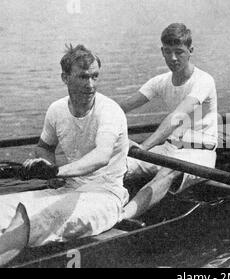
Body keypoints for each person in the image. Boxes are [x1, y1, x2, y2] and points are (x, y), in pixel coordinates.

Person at [0, 44, 129, 265]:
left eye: (95, 77)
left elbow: (101, 156)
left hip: (105, 196)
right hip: (68, 188)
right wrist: (46, 166)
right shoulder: (56, 110)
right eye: (83, 77)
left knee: (28, 219)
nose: (91, 85)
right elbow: (45, 147)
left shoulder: (109, 111)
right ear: (65, 78)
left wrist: (56, 171)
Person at [119, 23, 218, 219]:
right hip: (169, 148)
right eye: (168, 52)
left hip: (200, 153)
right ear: (162, 51)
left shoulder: (204, 81)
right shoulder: (160, 81)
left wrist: (142, 149)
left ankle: (121, 218)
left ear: (190, 51)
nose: (173, 58)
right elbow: (121, 108)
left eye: (179, 52)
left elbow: (176, 118)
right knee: (120, 166)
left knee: (167, 171)